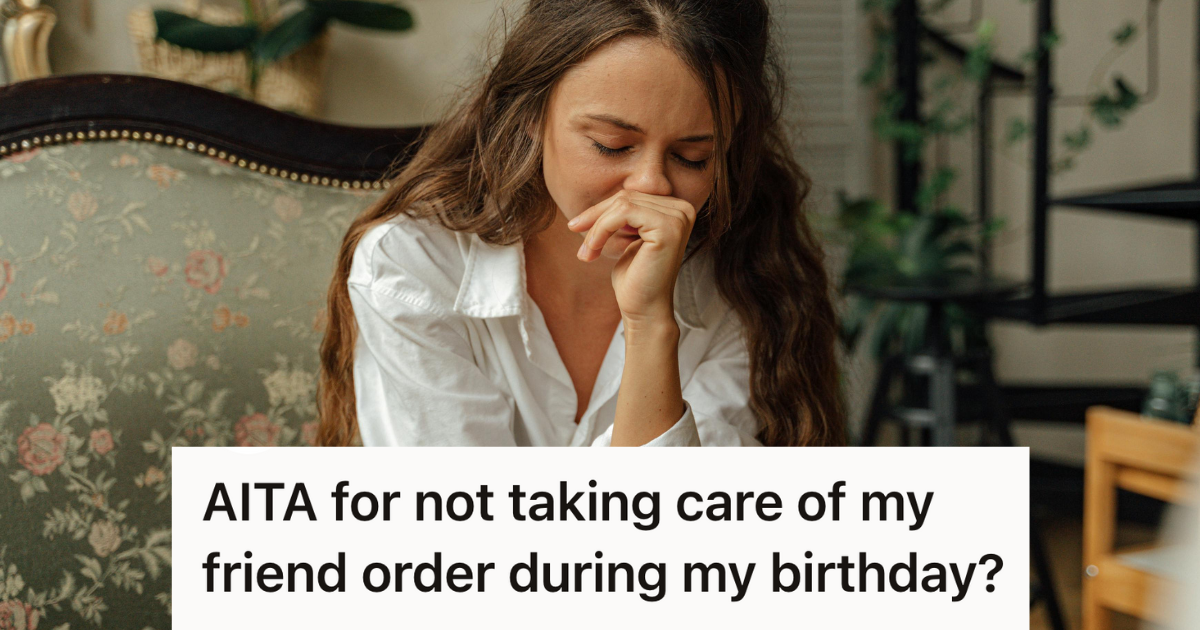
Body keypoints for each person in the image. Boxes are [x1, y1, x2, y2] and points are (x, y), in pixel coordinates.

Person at [316, 0, 844, 447]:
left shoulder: (746, 276)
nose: (651, 187)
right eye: (612, 146)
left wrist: (650, 328)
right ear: (528, 114)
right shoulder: (413, 265)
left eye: (692, 157)